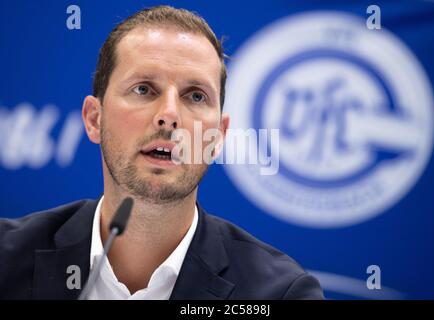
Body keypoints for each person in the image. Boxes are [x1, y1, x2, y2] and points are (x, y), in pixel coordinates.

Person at [0, 5, 324, 300]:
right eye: (143, 89)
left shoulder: (279, 294)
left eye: (195, 96)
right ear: (94, 119)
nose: (169, 115)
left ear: (218, 136)